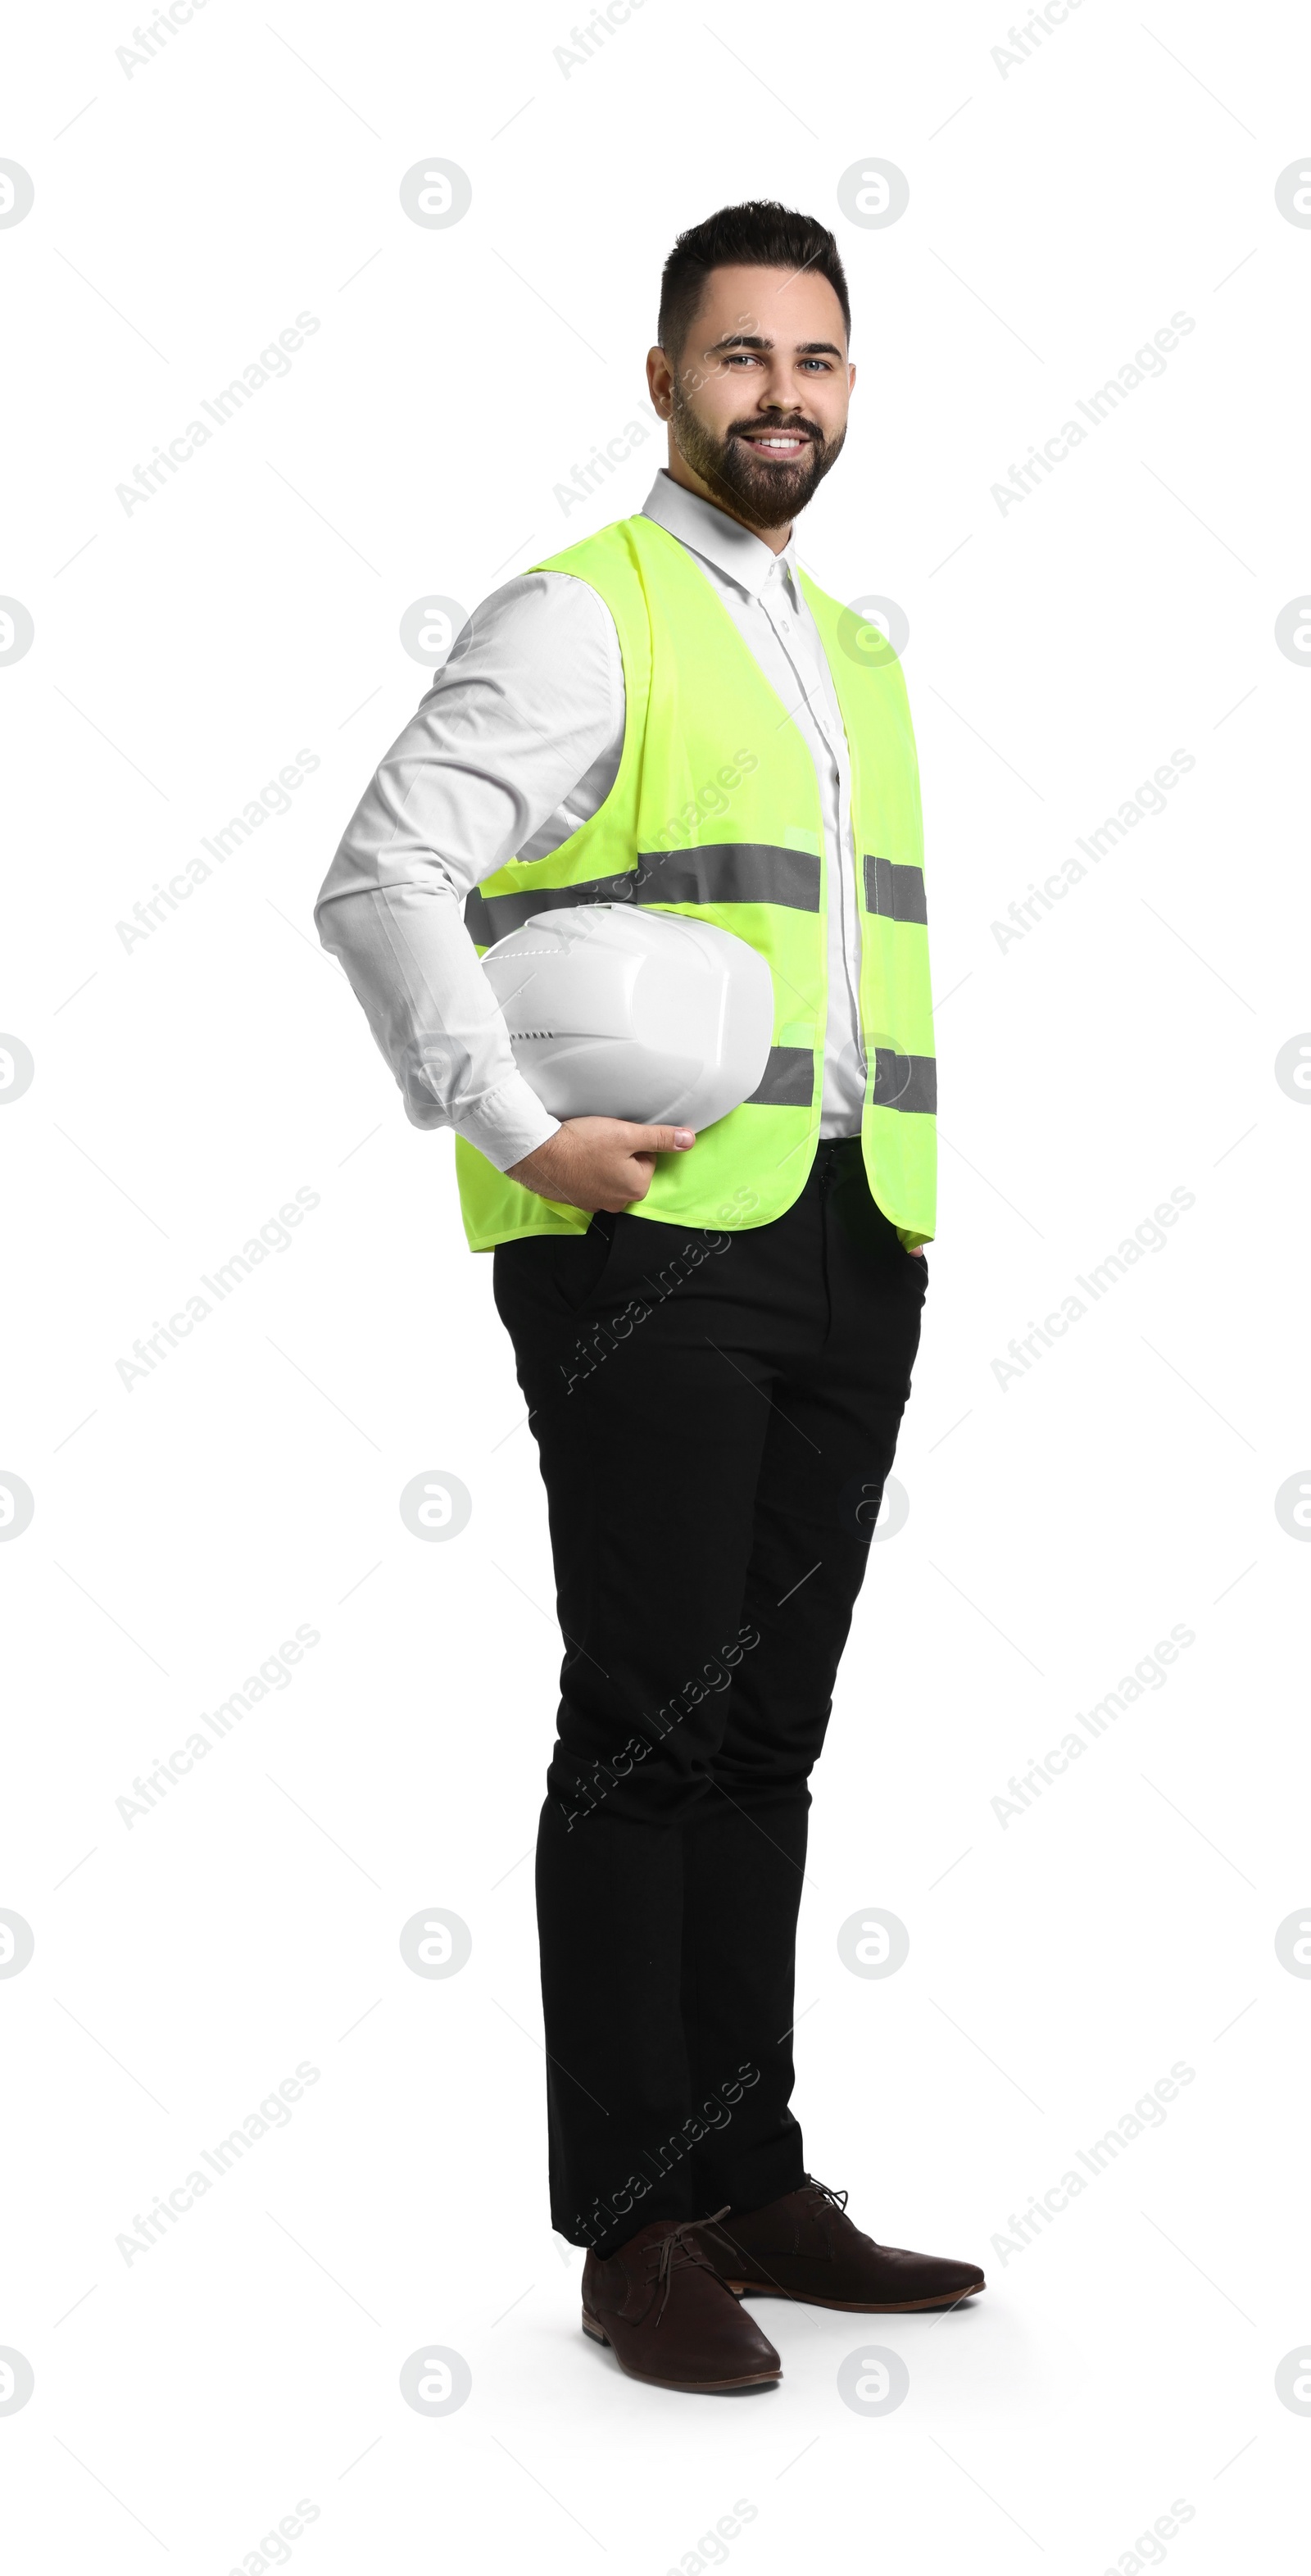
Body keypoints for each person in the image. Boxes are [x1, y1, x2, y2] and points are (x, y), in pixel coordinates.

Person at [315, 199, 984, 2394]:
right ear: (665, 380)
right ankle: (635, 2230)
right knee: (656, 1724)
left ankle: (752, 2174)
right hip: (649, 1237)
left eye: (816, 358)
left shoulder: (858, 655)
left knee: (769, 1738)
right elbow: (388, 867)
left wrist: (891, 1218)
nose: (780, 391)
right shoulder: (583, 616)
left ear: (852, 386)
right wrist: (512, 1128)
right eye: (738, 357)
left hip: (847, 1229)